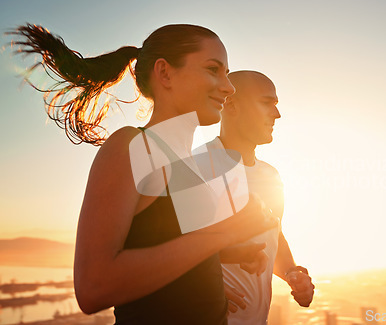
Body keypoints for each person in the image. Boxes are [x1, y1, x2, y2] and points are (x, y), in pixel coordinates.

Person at [11, 24, 278, 324]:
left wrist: (230, 252)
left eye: (227, 74)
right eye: (213, 70)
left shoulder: (186, 164)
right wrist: (222, 235)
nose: (228, 87)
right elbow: (94, 286)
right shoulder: (134, 146)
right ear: (165, 73)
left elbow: (165, 247)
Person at [194, 71, 315, 324]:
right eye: (266, 103)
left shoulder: (271, 176)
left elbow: (273, 236)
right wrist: (204, 288)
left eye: (276, 105)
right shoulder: (194, 168)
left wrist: (292, 272)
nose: (277, 114)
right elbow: (169, 252)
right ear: (231, 105)